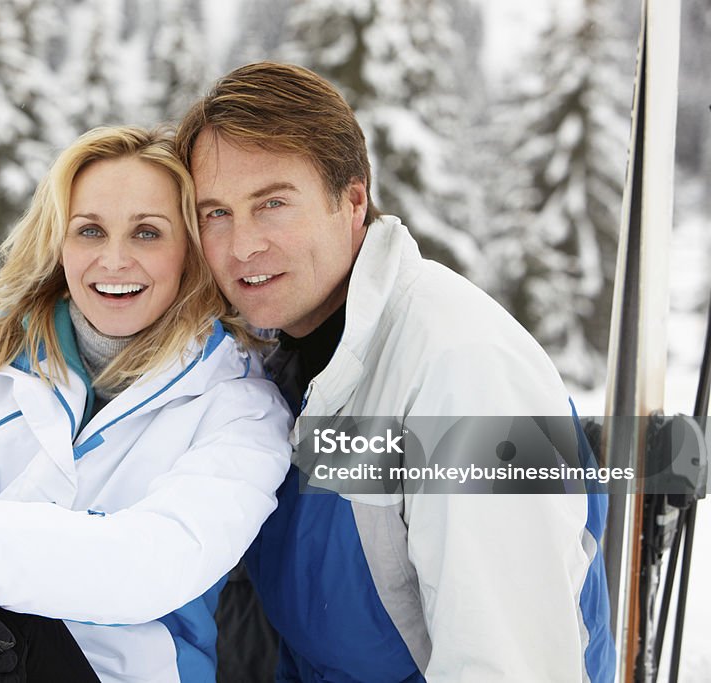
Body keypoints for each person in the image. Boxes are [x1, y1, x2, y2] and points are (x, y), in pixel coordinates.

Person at [175, 62, 615, 682]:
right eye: (215, 213)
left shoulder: (464, 375)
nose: (242, 245)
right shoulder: (272, 365)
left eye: (271, 203)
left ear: (352, 200)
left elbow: (506, 664)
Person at [0, 126, 293, 683]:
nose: (114, 260)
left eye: (146, 233)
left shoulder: (240, 404)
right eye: (90, 230)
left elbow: (158, 562)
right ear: (59, 241)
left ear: (188, 249)